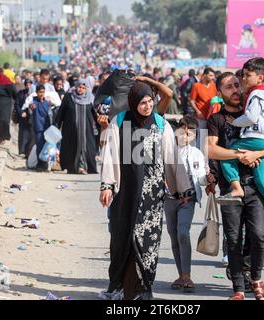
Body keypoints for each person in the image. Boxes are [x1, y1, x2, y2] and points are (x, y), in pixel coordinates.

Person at [99, 80, 191, 300]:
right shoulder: (119, 122)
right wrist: (107, 185)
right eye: (142, 103)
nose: (147, 106)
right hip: (125, 192)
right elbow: (110, 154)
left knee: (147, 240)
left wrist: (182, 189)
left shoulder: (161, 124)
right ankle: (119, 288)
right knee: (122, 237)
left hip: (152, 194)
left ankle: (142, 289)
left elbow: (172, 158)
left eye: (150, 101)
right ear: (133, 102)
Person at [207, 72, 264, 300]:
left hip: (256, 186)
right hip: (230, 188)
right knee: (233, 239)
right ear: (220, 93)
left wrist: (257, 153)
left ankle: (256, 278)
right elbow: (210, 149)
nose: (235, 90)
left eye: (237, 85)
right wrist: (239, 155)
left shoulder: (253, 112)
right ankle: (238, 288)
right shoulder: (216, 120)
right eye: (228, 87)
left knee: (258, 235)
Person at [217, 58, 264, 232]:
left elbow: (250, 117)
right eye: (243, 75)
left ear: (260, 78)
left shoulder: (256, 95)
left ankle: (236, 188)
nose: (243, 79)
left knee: (227, 155)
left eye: (247, 75)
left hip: (256, 137)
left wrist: (234, 122)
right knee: (262, 177)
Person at [165, 116, 214, 293]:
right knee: (173, 235)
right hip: (169, 199)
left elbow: (200, 178)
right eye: (182, 130)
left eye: (190, 133)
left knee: (183, 233)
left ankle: (187, 275)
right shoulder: (167, 151)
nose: (185, 135)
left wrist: (207, 179)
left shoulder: (197, 154)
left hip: (188, 200)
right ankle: (181, 274)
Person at [56, 79, 98, 175]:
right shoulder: (69, 97)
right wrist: (57, 125)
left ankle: (83, 167)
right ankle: (72, 167)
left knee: (87, 148)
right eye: (79, 87)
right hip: (71, 130)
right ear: (76, 86)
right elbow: (61, 112)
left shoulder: (90, 99)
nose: (81, 89)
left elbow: (96, 115)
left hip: (86, 131)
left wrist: (102, 126)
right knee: (71, 148)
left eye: (83, 88)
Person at [29, 85, 52, 171]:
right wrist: (31, 107)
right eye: (40, 92)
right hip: (38, 127)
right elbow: (31, 106)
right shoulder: (34, 101)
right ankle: (40, 164)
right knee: (39, 146)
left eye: (43, 92)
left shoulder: (47, 102)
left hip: (47, 128)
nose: (41, 94)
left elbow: (50, 113)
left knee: (46, 147)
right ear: (37, 92)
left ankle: (45, 164)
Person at [15, 79, 34, 157]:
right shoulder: (20, 93)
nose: (28, 86)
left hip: (32, 116)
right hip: (23, 117)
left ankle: (28, 152)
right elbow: (17, 104)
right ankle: (22, 151)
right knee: (23, 134)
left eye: (30, 84)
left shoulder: (34, 94)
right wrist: (21, 112)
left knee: (31, 134)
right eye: (27, 84)